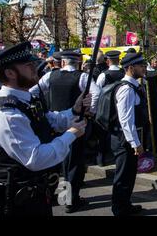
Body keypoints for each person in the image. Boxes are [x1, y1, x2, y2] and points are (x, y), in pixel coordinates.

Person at [0, 42, 89, 216]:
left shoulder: (27, 101)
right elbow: (35, 158)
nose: (35, 67)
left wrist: (75, 109)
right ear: (10, 73)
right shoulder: (6, 114)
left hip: (37, 195)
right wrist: (70, 135)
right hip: (18, 204)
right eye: (28, 65)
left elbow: (52, 121)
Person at [29, 50, 100, 213]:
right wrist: (90, 111)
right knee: (73, 163)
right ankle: (70, 200)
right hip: (74, 123)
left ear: (62, 63)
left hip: (53, 122)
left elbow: (33, 91)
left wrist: (42, 109)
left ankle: (52, 194)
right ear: (77, 63)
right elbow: (97, 93)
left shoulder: (50, 76)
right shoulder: (82, 77)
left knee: (55, 161)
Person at [111, 52, 148, 216]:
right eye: (141, 66)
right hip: (124, 140)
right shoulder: (126, 89)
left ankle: (125, 205)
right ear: (130, 68)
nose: (144, 68)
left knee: (129, 175)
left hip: (129, 138)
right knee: (123, 176)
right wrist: (135, 144)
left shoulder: (133, 85)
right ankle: (119, 210)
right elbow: (125, 120)